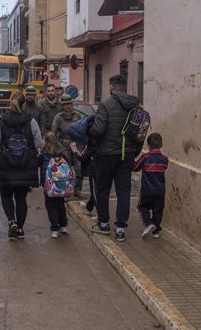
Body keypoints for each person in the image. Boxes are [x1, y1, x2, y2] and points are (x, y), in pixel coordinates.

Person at [88, 74, 142, 242]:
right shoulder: (135, 106)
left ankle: (103, 223)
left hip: (106, 154)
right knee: (123, 191)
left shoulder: (105, 105)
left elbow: (98, 130)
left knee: (103, 189)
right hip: (127, 155)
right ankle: (120, 229)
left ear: (111, 88)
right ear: (124, 88)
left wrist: (89, 131)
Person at [0, 92, 42, 240]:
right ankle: (20, 229)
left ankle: (11, 221)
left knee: (6, 195)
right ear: (23, 105)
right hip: (25, 165)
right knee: (21, 199)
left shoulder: (3, 121)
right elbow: (38, 142)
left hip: (7, 164)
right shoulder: (31, 121)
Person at [133, 133, 168, 239]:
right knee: (158, 210)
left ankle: (148, 224)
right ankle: (156, 231)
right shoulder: (165, 159)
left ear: (148, 145)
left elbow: (135, 167)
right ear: (161, 145)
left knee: (142, 207)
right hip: (160, 191)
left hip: (146, 190)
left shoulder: (145, 157)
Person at [50, 94, 83, 197]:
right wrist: (56, 147)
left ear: (72, 104)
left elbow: (82, 129)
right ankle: (66, 190)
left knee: (79, 168)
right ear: (61, 106)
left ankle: (77, 191)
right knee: (65, 170)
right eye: (64, 104)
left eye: (69, 104)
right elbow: (53, 133)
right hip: (63, 146)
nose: (67, 106)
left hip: (76, 145)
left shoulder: (77, 115)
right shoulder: (58, 117)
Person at [39, 132, 70, 238]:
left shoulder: (43, 154)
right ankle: (63, 225)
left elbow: (37, 164)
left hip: (48, 184)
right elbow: (68, 165)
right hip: (61, 183)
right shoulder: (62, 153)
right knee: (60, 204)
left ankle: (54, 228)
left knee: (51, 205)